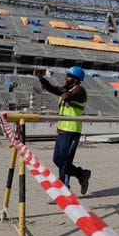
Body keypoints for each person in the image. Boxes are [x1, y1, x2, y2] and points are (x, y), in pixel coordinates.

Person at [34, 66, 91, 196]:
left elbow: (66, 97)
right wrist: (41, 78)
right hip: (62, 130)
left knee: (65, 162)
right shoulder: (69, 88)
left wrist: (64, 87)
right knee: (57, 160)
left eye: (69, 76)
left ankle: (64, 190)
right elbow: (51, 88)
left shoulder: (80, 91)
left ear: (76, 79)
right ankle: (81, 174)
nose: (66, 78)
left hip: (71, 130)